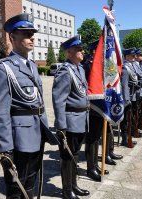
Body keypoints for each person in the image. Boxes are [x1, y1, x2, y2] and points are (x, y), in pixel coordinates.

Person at [0, 13, 58, 199]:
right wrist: (6, 148)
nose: (32, 37)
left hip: (37, 132)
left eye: (32, 33)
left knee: (30, 183)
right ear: (12, 37)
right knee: (16, 188)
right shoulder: (3, 68)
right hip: (19, 138)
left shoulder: (32, 66)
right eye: (26, 34)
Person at [52, 35, 90, 199]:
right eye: (79, 49)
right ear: (69, 51)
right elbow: (58, 100)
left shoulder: (79, 68)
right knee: (68, 156)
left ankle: (74, 185)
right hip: (70, 120)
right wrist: (61, 126)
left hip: (82, 118)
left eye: (82, 48)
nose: (83, 51)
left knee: (74, 155)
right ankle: (67, 191)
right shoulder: (64, 71)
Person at [83, 40, 109, 182]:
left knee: (97, 138)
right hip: (92, 107)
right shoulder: (88, 67)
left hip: (101, 107)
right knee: (91, 138)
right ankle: (90, 168)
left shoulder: (101, 66)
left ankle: (95, 164)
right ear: (95, 51)